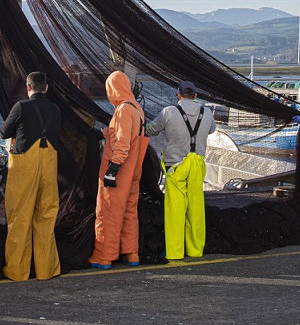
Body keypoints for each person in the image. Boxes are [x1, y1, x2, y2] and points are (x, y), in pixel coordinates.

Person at [0, 70, 62, 281]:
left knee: (19, 216)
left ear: (28, 87)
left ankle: (17, 271)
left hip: (25, 166)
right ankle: (46, 269)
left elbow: (4, 132)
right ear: (46, 88)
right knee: (46, 216)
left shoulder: (21, 107)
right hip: (49, 165)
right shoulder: (55, 109)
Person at [149, 80, 216, 261]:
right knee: (196, 207)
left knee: (175, 209)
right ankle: (195, 249)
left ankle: (175, 251)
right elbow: (211, 130)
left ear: (178, 95)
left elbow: (151, 130)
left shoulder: (169, 112)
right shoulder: (207, 113)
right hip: (197, 164)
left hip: (175, 166)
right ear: (196, 95)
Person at [88, 70, 147, 269]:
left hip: (119, 169)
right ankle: (131, 253)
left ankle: (104, 255)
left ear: (113, 89)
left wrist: (112, 169)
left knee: (108, 211)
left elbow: (122, 143)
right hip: (134, 169)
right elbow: (127, 133)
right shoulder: (137, 108)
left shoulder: (122, 110)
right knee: (129, 211)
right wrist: (103, 133)